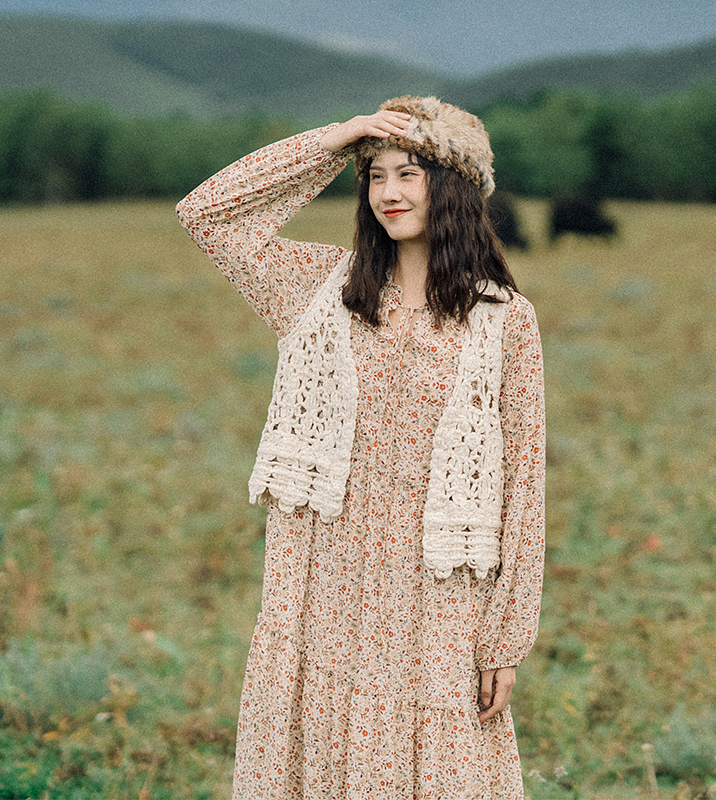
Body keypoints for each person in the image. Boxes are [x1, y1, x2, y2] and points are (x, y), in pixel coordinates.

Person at [176, 95, 545, 800]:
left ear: (456, 185)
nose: (389, 193)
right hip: (322, 579)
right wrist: (337, 138)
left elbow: (523, 488)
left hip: (435, 595)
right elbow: (209, 214)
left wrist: (504, 641)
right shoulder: (320, 289)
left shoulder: (505, 321)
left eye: (411, 173)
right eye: (374, 175)